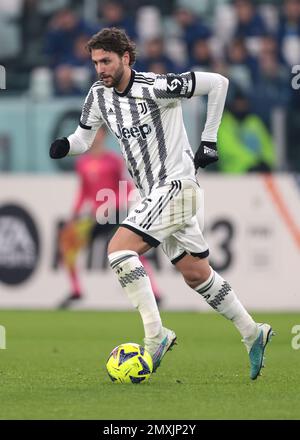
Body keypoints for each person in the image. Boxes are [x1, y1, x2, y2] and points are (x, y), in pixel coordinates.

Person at [50, 27, 274, 379]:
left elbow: (218, 83)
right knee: (197, 275)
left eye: (106, 61)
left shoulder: (157, 87)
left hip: (176, 185)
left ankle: (155, 336)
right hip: (154, 192)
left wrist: (209, 140)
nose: (100, 69)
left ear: (126, 58)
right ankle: (252, 331)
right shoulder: (98, 95)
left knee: (119, 250)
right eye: (95, 62)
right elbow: (84, 136)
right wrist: (66, 145)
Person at [58, 126, 162, 308]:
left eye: (99, 132)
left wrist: (116, 203)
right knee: (68, 243)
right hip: (94, 217)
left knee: (131, 250)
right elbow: (83, 192)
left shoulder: (113, 161)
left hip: (113, 215)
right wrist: (74, 214)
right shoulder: (82, 163)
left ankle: (154, 291)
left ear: (104, 135)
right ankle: (76, 291)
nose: (96, 136)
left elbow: (127, 186)